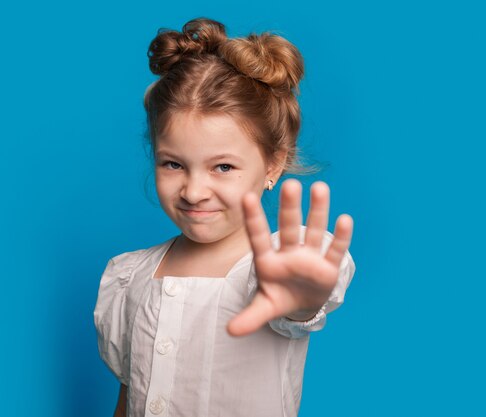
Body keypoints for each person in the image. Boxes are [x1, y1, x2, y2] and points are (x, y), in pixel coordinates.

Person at [93, 17, 356, 417]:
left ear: (273, 164)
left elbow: (298, 302)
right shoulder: (129, 277)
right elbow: (129, 398)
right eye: (173, 164)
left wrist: (303, 298)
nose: (194, 191)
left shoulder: (274, 266)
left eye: (223, 167)